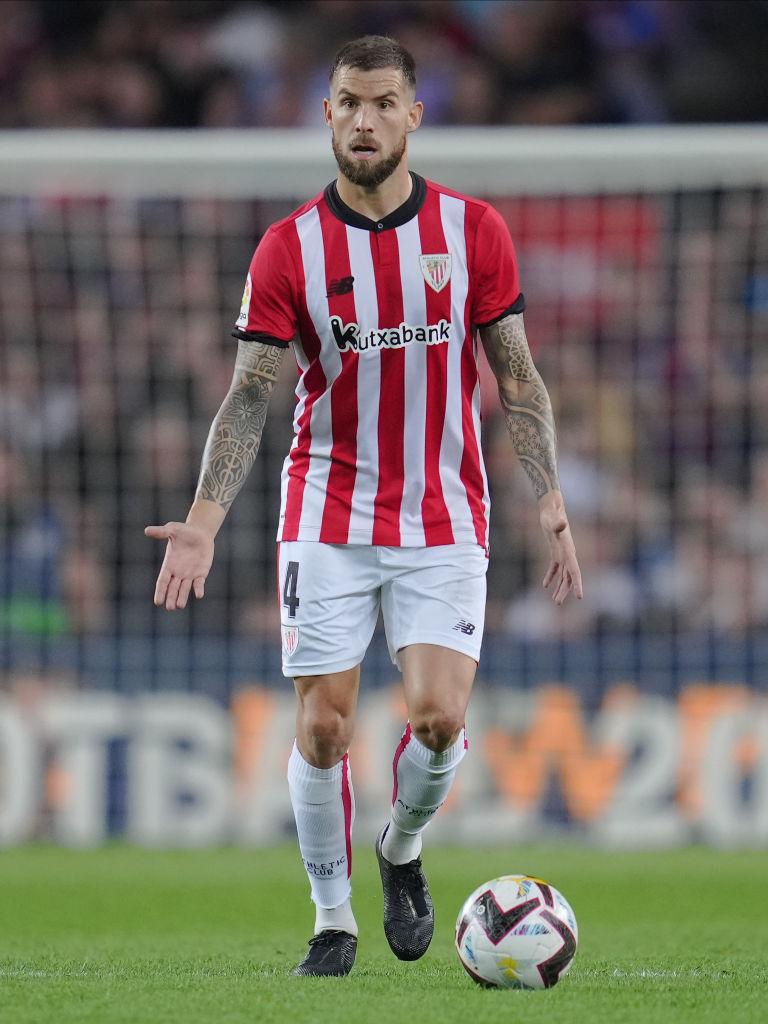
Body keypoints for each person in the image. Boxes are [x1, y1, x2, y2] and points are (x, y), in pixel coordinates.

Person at [146, 35, 582, 978]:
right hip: (327, 510)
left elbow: (517, 377)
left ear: (414, 115)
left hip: (442, 512)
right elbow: (250, 394)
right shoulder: (288, 247)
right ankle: (332, 919)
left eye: (384, 103)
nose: (365, 119)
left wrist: (550, 502)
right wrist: (203, 523)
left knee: (438, 720)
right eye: (348, 102)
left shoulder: (473, 231)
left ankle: (400, 849)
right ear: (328, 113)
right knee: (324, 728)